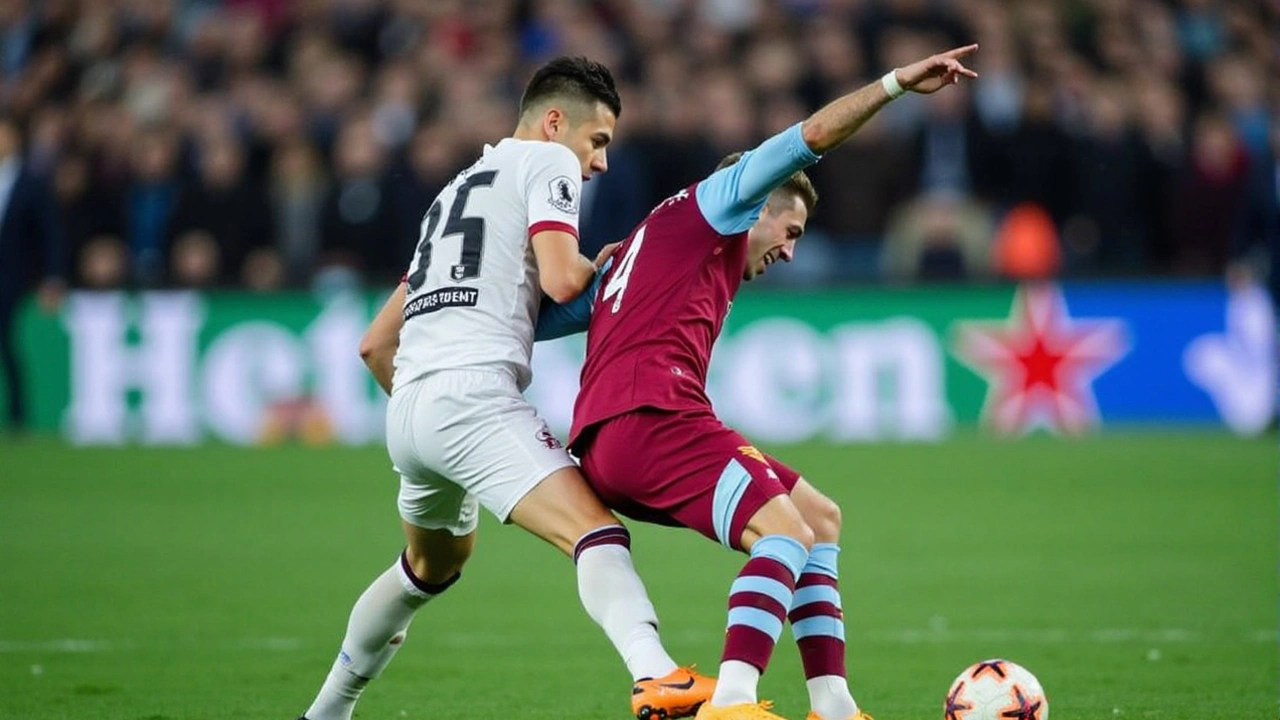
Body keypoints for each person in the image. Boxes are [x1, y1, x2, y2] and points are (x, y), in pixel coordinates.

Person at [569, 46, 980, 720]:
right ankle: (731, 703)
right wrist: (896, 84)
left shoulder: (653, 236)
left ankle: (834, 704)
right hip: (651, 418)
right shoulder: (720, 204)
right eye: (789, 231)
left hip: (616, 435)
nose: (789, 250)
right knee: (783, 533)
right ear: (759, 203)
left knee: (818, 518)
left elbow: (566, 311)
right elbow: (814, 136)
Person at [297, 57, 712, 720]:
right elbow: (562, 280)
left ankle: (324, 713)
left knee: (427, 568)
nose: (599, 162)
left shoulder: (454, 195)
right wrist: (599, 265)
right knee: (596, 534)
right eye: (596, 141)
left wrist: (427, 420)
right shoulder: (546, 163)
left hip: (408, 407)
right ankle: (657, 674)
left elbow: (374, 343)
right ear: (554, 122)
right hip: (473, 397)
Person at [0, 115, 65, 436]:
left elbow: (51, 234)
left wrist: (53, 277)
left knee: (7, 342)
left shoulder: (31, 183)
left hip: (11, 279)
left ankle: (18, 416)